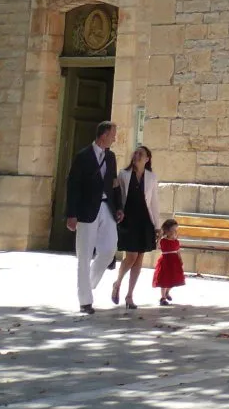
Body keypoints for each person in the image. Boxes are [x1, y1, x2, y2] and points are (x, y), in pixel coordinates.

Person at [65, 119, 123, 313]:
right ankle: (85, 300)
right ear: (104, 135)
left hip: (106, 207)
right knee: (84, 254)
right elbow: (73, 185)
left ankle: (88, 283)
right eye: (113, 135)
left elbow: (114, 184)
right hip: (86, 210)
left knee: (109, 248)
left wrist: (119, 207)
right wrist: (71, 214)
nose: (115, 138)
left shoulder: (111, 157)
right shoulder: (83, 157)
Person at [112, 145, 160, 307]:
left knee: (139, 259)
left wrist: (157, 226)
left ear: (147, 159)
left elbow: (154, 203)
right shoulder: (123, 175)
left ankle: (129, 296)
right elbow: (118, 197)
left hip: (145, 221)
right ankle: (117, 283)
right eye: (136, 153)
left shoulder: (152, 177)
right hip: (129, 220)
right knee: (131, 256)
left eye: (142, 154)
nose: (137, 155)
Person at [151, 218, 186, 306]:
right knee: (164, 279)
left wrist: (181, 260)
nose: (174, 232)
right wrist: (159, 237)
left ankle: (167, 292)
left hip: (174, 262)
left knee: (174, 279)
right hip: (165, 262)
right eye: (172, 230)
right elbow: (157, 247)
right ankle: (163, 297)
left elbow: (178, 252)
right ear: (166, 230)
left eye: (175, 230)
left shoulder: (176, 242)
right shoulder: (163, 241)